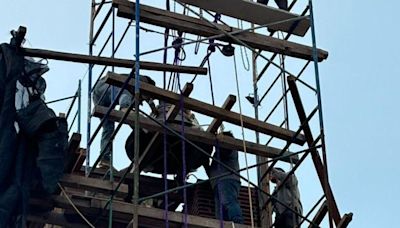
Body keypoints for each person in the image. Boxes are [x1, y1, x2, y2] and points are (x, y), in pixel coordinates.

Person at [92, 73, 157, 169]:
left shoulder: (134, 86)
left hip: (99, 93)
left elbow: (144, 99)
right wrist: (152, 110)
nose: (141, 102)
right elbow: (146, 95)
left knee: (108, 128)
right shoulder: (143, 81)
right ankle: (125, 108)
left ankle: (104, 160)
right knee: (126, 101)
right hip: (109, 85)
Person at [205, 131, 244, 224]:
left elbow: (225, 151)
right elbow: (211, 172)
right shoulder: (217, 153)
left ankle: (237, 223)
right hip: (218, 182)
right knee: (220, 212)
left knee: (228, 202)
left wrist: (218, 140)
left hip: (227, 179)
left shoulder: (230, 147)